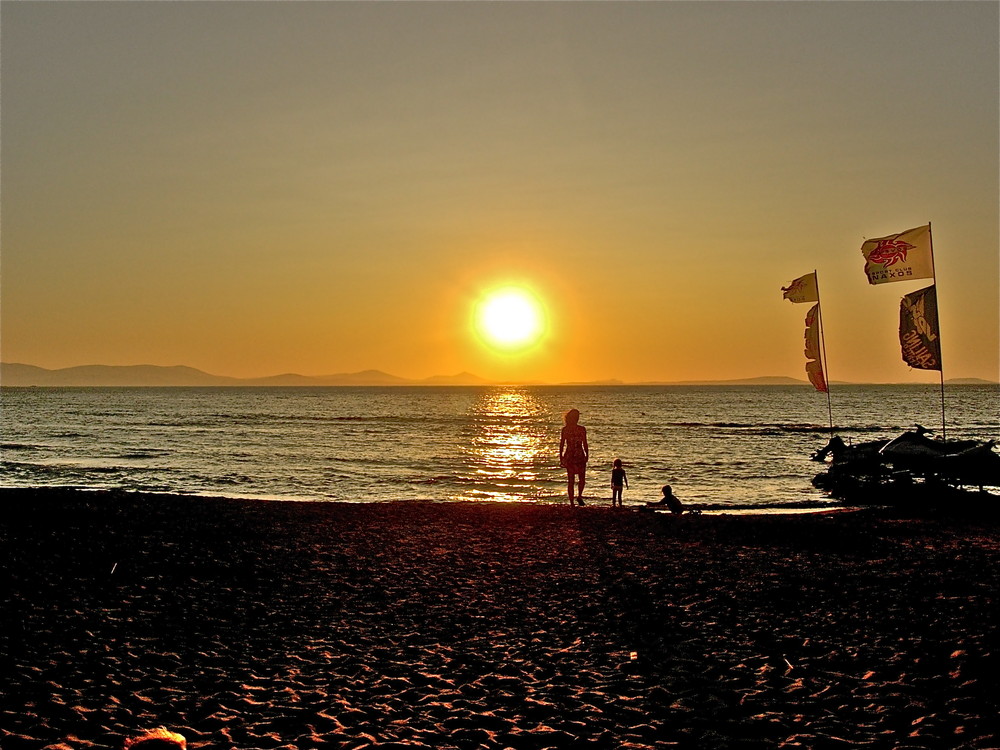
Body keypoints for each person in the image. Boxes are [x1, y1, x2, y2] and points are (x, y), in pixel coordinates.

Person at [559, 408, 589, 506]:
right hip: (576, 454)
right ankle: (576, 498)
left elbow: (562, 444)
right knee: (578, 479)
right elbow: (562, 443)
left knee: (574, 480)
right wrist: (586, 454)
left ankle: (575, 499)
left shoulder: (568, 429)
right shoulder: (579, 429)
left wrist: (561, 457)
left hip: (572, 455)